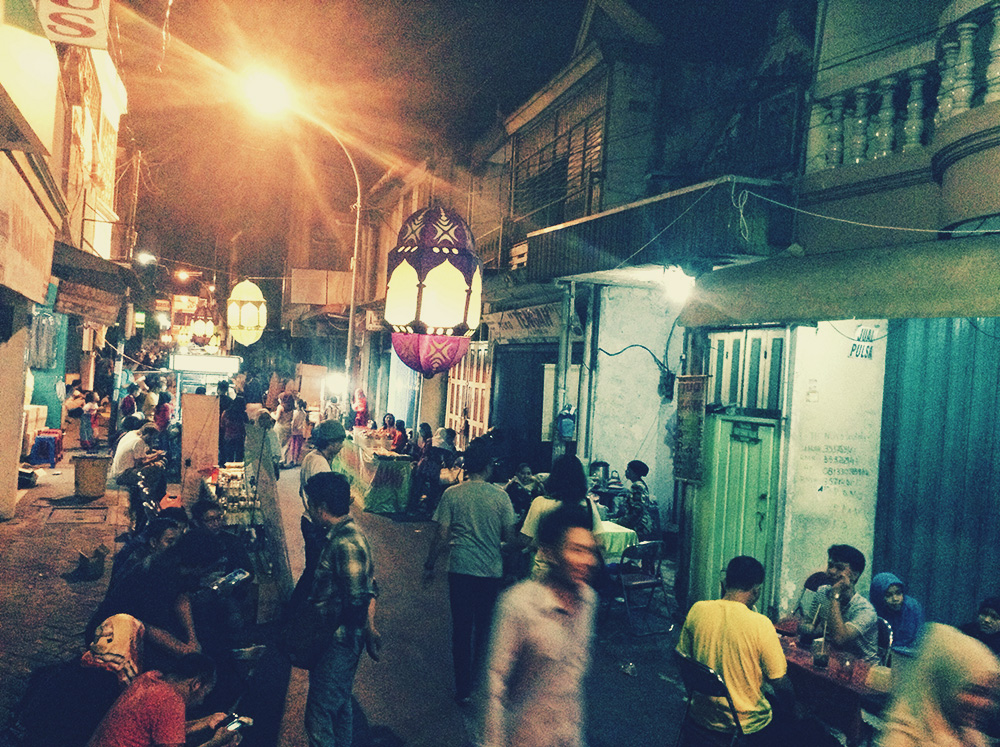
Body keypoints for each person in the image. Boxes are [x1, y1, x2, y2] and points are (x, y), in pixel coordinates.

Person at [480, 506, 599, 747]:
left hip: (569, 733)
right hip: (526, 735)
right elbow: (494, 685)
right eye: (576, 550)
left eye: (590, 551)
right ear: (550, 553)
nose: (587, 560)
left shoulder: (588, 600)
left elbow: (573, 680)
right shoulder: (518, 604)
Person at [423, 438, 517, 704]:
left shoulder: (452, 494)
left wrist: (430, 565)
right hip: (490, 572)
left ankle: (462, 689)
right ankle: (480, 684)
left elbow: (441, 536)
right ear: (488, 466)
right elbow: (510, 540)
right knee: (485, 630)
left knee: (462, 630)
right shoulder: (501, 497)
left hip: (460, 570)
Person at [676, 556, 794, 745]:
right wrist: (795, 706)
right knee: (789, 716)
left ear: (725, 583)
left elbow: (682, 658)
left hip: (699, 714)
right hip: (744, 724)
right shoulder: (761, 624)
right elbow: (779, 681)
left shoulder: (697, 609)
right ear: (756, 590)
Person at [302, 472, 380, 747]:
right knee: (339, 705)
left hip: (338, 641)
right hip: (337, 639)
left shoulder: (346, 542)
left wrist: (363, 628)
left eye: (310, 503)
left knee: (319, 713)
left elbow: (358, 598)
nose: (308, 509)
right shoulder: (340, 536)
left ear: (321, 507)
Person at [877, 623, 1000, 747]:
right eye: (974, 691)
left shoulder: (964, 731)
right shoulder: (900, 740)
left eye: (990, 694)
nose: (984, 703)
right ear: (945, 685)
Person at [86, 653, 239, 747]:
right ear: (196, 684)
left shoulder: (150, 678)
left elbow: (164, 730)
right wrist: (215, 743)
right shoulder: (171, 700)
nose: (202, 701)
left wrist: (206, 721)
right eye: (205, 693)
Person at [520, 455, 600, 577]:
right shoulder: (588, 504)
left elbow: (525, 539)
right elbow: (600, 540)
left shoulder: (540, 503)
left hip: (543, 576)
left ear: (554, 476)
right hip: (578, 575)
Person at [799, 544, 879, 662]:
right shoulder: (822, 592)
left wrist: (835, 595)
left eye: (839, 568)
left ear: (855, 575)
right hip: (835, 661)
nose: (831, 571)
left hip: (863, 669)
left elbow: (839, 638)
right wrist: (807, 628)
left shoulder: (865, 610)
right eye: (830, 565)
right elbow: (806, 623)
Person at [297, 420, 348, 593]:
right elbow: (324, 499)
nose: (341, 446)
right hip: (315, 524)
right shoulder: (320, 464)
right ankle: (293, 611)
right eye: (339, 442)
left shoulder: (312, 457)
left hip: (309, 520)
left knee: (313, 569)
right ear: (331, 443)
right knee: (314, 572)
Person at [870, 572, 925, 651]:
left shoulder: (911, 608)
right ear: (879, 597)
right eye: (888, 595)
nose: (895, 599)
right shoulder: (873, 610)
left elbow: (918, 640)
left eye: (898, 593)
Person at [615, 459, 652, 536]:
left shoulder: (637, 486)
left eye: (628, 469)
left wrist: (621, 521)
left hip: (639, 527)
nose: (626, 472)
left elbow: (637, 510)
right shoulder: (641, 484)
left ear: (634, 472)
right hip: (639, 524)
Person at [219, 396, 248, 465]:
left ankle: (228, 473)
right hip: (240, 438)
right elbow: (246, 426)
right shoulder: (243, 415)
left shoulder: (226, 413)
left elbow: (222, 425)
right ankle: (238, 473)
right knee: (239, 458)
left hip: (228, 437)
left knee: (229, 458)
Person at [288, 398, 309, 466]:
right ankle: (296, 460)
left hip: (294, 431)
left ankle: (292, 460)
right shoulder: (304, 413)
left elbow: (293, 422)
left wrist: (291, 429)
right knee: (298, 446)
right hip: (300, 431)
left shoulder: (295, 412)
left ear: (297, 404)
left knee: (293, 446)